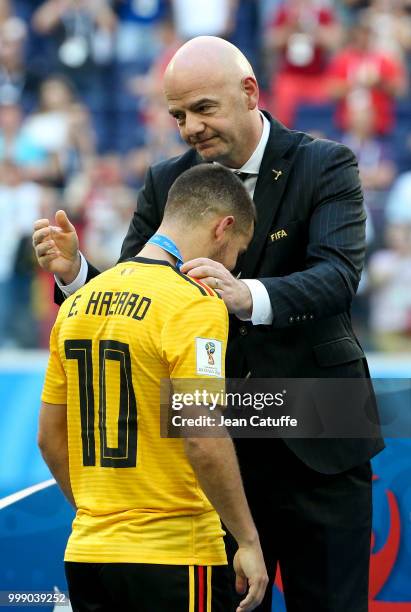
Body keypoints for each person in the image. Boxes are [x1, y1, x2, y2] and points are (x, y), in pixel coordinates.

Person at [33, 36, 384, 611]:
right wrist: (76, 274)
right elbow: (134, 303)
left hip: (321, 431)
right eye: (177, 115)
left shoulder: (327, 163)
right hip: (212, 453)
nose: (190, 127)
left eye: (203, 108)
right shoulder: (165, 180)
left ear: (249, 92)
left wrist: (244, 294)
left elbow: (338, 276)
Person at [38, 163, 268, 612]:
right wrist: (247, 539)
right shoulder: (193, 303)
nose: (232, 266)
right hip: (176, 555)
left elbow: (49, 438)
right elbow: (202, 436)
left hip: (88, 553)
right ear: (224, 228)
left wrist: (100, 516)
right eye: (237, 252)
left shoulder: (77, 302)